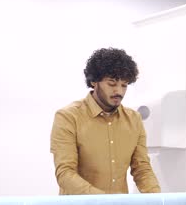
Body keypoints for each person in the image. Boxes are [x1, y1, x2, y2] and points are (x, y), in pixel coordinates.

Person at [50, 48, 160, 195]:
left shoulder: (134, 119)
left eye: (124, 85)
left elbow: (142, 169)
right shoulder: (68, 117)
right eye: (112, 84)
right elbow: (65, 174)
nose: (119, 92)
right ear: (94, 81)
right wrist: (104, 202)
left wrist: (159, 202)